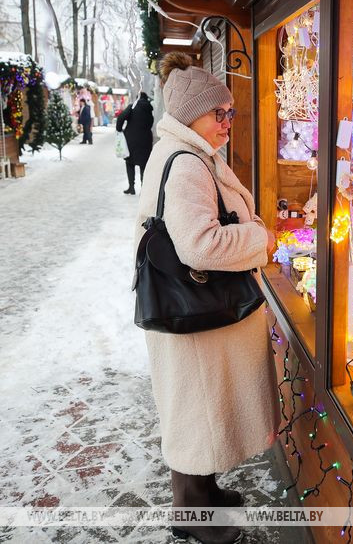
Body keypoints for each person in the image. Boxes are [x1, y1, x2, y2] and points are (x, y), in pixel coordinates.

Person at [134, 52, 278, 544]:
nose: (228, 122)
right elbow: (200, 244)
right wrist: (261, 238)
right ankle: (192, 513)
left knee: (201, 408)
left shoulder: (184, 152)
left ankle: (205, 493)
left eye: (231, 112)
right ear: (190, 114)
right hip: (192, 310)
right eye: (219, 113)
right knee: (196, 412)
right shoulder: (188, 164)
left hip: (190, 309)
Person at [116, 92, 154, 195]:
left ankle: (131, 187)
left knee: (130, 163)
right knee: (144, 164)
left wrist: (119, 129)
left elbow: (121, 117)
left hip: (131, 139)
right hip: (145, 140)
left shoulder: (132, 107)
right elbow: (151, 124)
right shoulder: (149, 110)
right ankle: (143, 189)